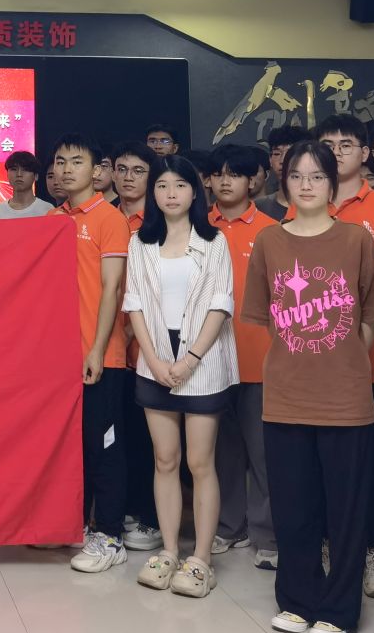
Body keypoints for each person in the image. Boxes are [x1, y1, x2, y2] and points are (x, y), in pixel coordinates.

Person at [239, 140, 374, 633]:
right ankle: (296, 600)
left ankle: (339, 610)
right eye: (297, 176)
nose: (306, 185)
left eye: (317, 176)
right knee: (293, 508)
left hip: (346, 399)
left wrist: (342, 358)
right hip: (285, 396)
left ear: (333, 183)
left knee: (345, 511)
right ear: (284, 183)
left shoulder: (356, 239)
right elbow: (267, 318)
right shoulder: (269, 241)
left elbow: (370, 316)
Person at [310, 115, 374, 603]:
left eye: (346, 144)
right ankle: (330, 543)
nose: (336, 151)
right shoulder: (307, 202)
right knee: (325, 464)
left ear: (364, 153)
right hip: (319, 364)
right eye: (327, 144)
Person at [123, 156, 235, 598]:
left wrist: (190, 359)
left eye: (180, 185)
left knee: (200, 462)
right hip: (155, 359)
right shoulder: (140, 242)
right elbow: (133, 303)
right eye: (162, 185)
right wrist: (153, 360)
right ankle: (169, 551)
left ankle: (201, 559)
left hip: (201, 360)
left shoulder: (214, 240)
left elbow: (220, 303)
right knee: (164, 460)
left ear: (195, 192)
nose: (171, 193)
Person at [49, 135, 131, 574]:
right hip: (57, 355)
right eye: (60, 161)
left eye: (76, 162)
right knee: (69, 445)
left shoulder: (109, 218)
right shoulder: (52, 218)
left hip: (100, 355)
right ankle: (73, 523)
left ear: (97, 170)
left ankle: (111, 535)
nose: (66, 169)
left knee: (104, 447)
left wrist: (98, 349)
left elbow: (113, 289)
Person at [205, 144, 279, 569]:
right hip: (211, 360)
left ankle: (267, 533)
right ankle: (229, 526)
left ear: (253, 181)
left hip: (260, 359)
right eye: (219, 173)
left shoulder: (273, 230)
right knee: (223, 451)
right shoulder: (198, 228)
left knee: (264, 453)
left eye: (235, 174)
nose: (225, 181)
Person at [108, 142, 157, 553]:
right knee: (116, 436)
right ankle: (119, 510)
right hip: (106, 349)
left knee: (148, 440)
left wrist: (126, 335)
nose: (127, 177)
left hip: (146, 349)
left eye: (138, 170)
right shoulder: (105, 216)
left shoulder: (160, 223)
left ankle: (149, 516)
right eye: (121, 169)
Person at [255, 125, 306, 221]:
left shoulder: (319, 207)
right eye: (277, 154)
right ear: (270, 160)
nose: (283, 160)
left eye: (290, 153)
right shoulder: (257, 208)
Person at [0, 151, 52, 219]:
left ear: (36, 176)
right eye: (14, 169)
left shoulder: (47, 210)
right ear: (7, 174)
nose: (19, 174)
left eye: (25, 169)